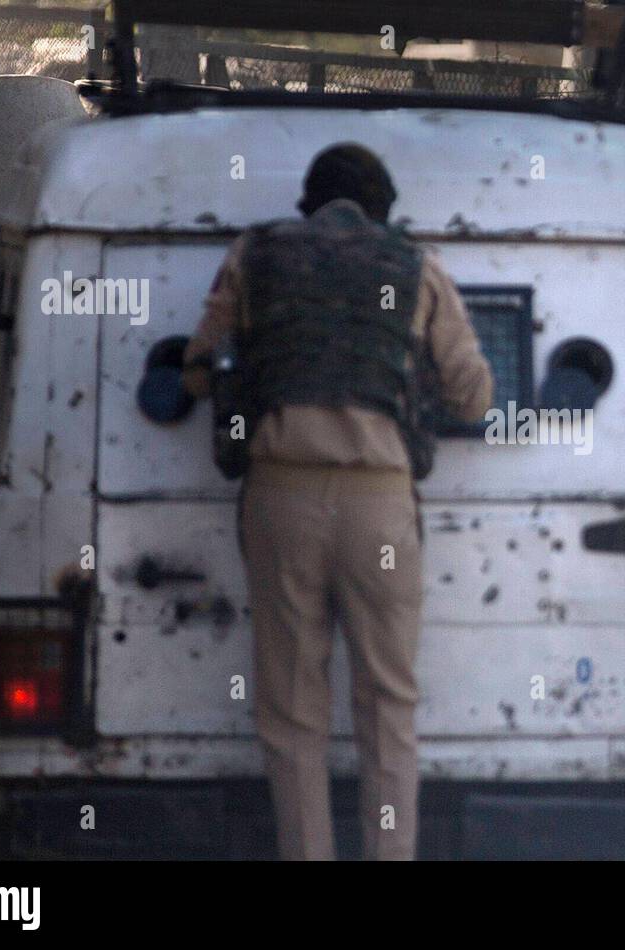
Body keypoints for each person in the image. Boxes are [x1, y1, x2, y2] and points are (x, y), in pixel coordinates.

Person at [182, 143, 493, 860]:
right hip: (379, 505)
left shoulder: (254, 257)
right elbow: (474, 394)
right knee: (389, 707)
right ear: (383, 209)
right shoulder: (416, 266)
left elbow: (198, 370)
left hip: (280, 495)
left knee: (293, 714)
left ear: (308, 204)